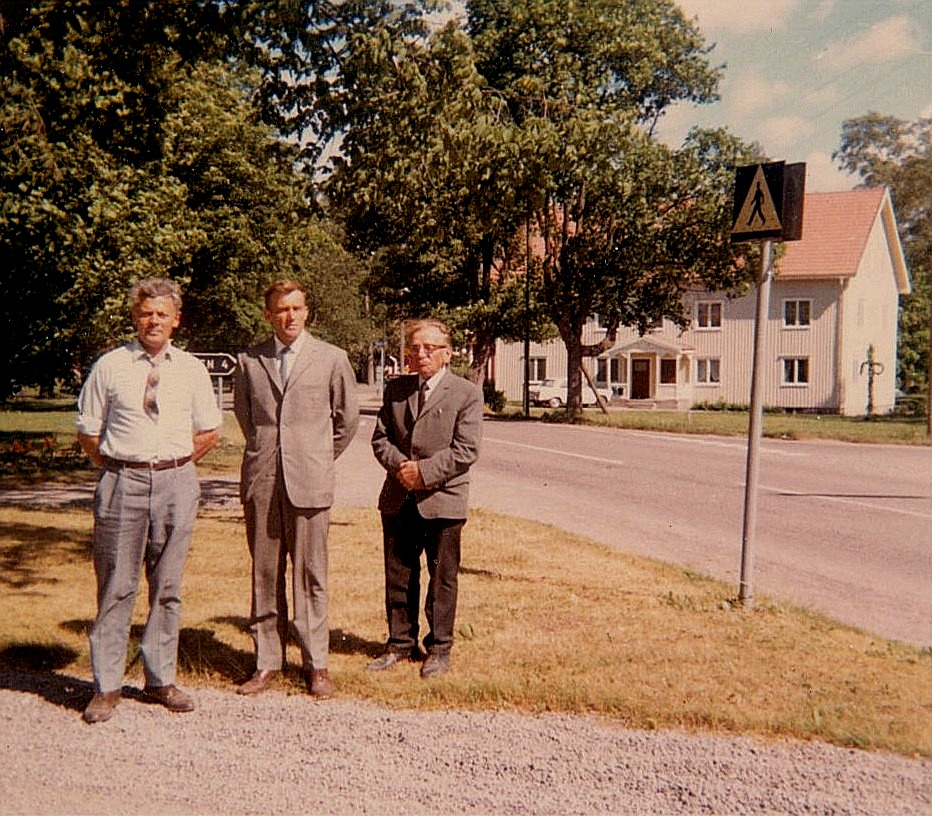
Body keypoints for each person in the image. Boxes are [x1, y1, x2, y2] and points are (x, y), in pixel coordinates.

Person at [76, 277, 222, 724]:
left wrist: (171, 465)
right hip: (123, 482)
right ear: (135, 318)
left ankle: (160, 679)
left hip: (177, 483)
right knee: (117, 585)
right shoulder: (110, 366)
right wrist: (128, 467)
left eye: (162, 313)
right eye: (145, 313)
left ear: (176, 320)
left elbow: (211, 431)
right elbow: (88, 432)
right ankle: (107, 685)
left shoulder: (192, 370)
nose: (153, 321)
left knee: (168, 587)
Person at [233, 279, 359, 699]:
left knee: (310, 574)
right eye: (281, 309)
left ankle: (315, 663)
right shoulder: (251, 360)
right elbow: (246, 417)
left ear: (307, 313)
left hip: (310, 480)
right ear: (268, 314)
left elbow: (346, 423)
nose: (290, 317)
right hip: (263, 480)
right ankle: (267, 660)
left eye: (297, 309)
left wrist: (315, 456)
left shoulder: (332, 358)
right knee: (265, 573)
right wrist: (269, 453)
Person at [369, 319, 483, 678]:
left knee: (442, 577)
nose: (421, 354)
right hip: (398, 496)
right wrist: (402, 466)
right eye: (415, 348)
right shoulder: (396, 389)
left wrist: (425, 472)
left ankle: (439, 648)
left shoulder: (466, 393)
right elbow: (380, 439)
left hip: (443, 498)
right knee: (399, 572)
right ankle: (400, 643)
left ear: (448, 353)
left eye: (430, 348)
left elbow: (466, 450)